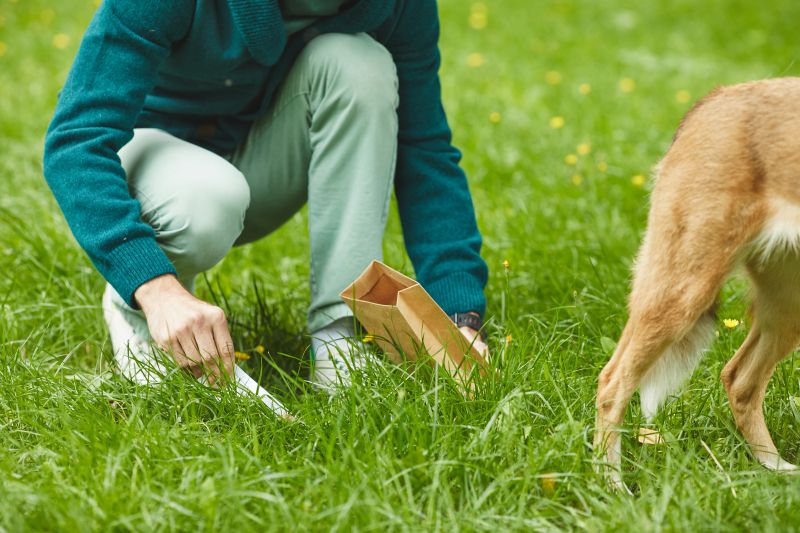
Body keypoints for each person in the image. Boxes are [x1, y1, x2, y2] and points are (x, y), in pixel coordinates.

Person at [43, 0, 489, 392]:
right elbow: (76, 139)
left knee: (360, 65)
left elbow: (424, 149)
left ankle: (339, 342)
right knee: (209, 195)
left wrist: (459, 317)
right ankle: (137, 303)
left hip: (255, 159)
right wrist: (155, 287)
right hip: (153, 169)